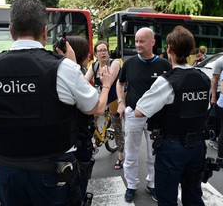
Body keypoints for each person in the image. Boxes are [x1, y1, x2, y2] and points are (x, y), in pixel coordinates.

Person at [0, 0, 112, 206]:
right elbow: (94, 107)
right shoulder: (64, 68)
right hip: (56, 174)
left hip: (8, 173)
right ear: (44, 31)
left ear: (11, 31)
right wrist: (80, 69)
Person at [135, 25, 211, 206]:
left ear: (169, 49)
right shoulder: (203, 78)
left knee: (167, 197)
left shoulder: (167, 81)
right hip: (198, 146)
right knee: (193, 194)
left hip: (172, 147)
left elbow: (139, 111)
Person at [116, 27, 171, 202]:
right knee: (131, 153)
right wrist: (121, 102)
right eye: (136, 40)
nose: (138, 44)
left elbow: (171, 88)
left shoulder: (164, 65)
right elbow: (120, 83)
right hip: (133, 114)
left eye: (142, 41)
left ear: (152, 42)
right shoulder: (130, 63)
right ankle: (131, 185)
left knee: (154, 153)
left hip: (157, 117)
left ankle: (152, 184)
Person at [56, 35, 95, 201]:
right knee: (76, 192)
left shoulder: (55, 73)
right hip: (77, 146)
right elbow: (95, 107)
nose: (90, 56)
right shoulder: (73, 74)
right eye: (86, 53)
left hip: (63, 146)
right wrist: (106, 86)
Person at [85, 40, 125, 170]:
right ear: (96, 54)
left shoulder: (114, 63)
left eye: (105, 50)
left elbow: (110, 80)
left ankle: (120, 155)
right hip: (100, 99)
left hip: (114, 99)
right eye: (100, 50)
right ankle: (97, 140)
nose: (103, 52)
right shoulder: (94, 66)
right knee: (89, 120)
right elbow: (85, 82)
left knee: (117, 126)